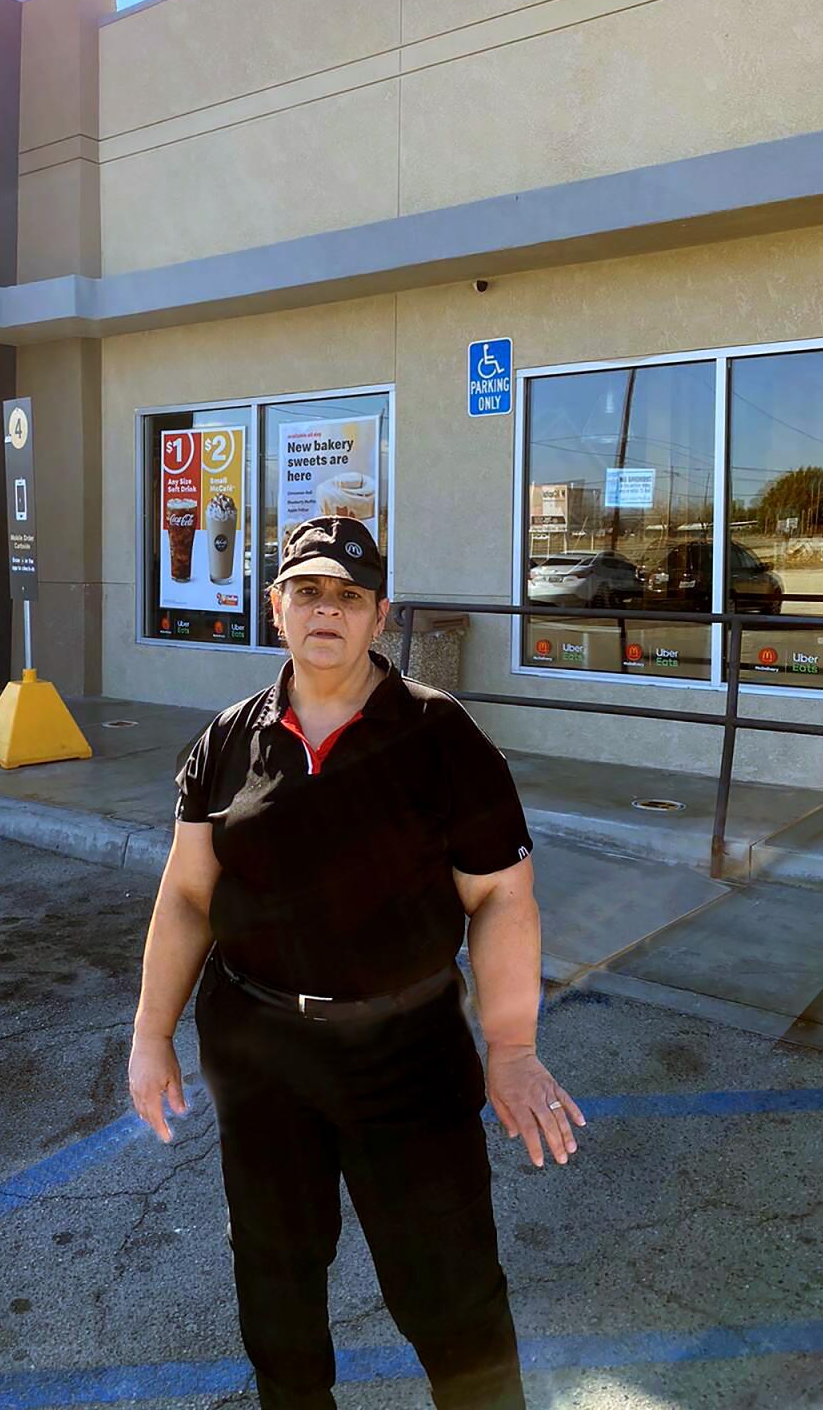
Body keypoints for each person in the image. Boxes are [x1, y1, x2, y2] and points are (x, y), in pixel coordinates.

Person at [129, 516, 585, 1410]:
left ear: (381, 617)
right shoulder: (227, 741)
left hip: (405, 1057)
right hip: (260, 1055)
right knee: (276, 1284)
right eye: (307, 591)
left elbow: (501, 898)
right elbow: (187, 896)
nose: (325, 609)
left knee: (451, 1296)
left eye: (348, 595)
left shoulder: (442, 737)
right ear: (276, 609)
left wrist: (512, 1047)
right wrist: (150, 1035)